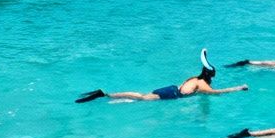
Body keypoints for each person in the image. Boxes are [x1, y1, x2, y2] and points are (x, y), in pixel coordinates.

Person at [77, 50, 248, 103]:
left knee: (143, 96)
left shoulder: (194, 79)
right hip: (172, 94)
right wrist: (238, 88)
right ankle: (105, 94)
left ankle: (110, 95)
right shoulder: (203, 84)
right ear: (210, 76)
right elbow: (217, 93)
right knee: (143, 98)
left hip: (171, 89)